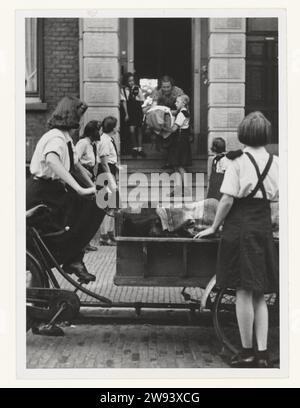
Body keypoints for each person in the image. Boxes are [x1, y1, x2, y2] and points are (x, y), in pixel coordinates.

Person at [194, 112, 279, 368]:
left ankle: (246, 352)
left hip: (239, 227)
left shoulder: (237, 162)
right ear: (266, 134)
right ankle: (262, 353)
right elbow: (276, 202)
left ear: (243, 134)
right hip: (262, 226)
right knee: (259, 293)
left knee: (243, 291)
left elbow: (228, 200)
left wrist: (214, 226)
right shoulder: (277, 162)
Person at [27, 96, 105, 283]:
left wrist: (92, 186)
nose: (81, 120)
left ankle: (74, 260)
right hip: (42, 193)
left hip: (52, 191)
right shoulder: (55, 137)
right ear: (71, 114)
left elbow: (76, 165)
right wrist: (79, 189)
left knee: (90, 207)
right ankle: (73, 261)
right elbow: (52, 161)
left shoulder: (66, 138)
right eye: (80, 115)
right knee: (81, 213)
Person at [76, 120, 101, 252]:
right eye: (99, 130)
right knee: (82, 211)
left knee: (88, 211)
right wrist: (85, 171)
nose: (100, 133)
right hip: (82, 177)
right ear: (93, 132)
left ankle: (85, 242)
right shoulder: (83, 143)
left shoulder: (92, 144)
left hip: (90, 175)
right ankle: (80, 244)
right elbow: (75, 161)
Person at [96, 116, 119, 246]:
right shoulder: (104, 140)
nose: (118, 127)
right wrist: (111, 180)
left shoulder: (108, 139)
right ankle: (104, 236)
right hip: (106, 173)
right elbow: (104, 163)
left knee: (113, 205)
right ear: (112, 127)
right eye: (116, 125)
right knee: (107, 206)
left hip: (111, 170)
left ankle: (110, 233)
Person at [167, 94, 192, 196]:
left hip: (180, 141)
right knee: (177, 166)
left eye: (177, 102)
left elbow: (174, 128)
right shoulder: (184, 112)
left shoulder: (182, 113)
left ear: (183, 103)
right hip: (181, 140)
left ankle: (185, 189)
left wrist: (164, 128)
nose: (175, 103)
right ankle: (179, 189)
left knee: (180, 166)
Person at [120, 72, 146, 158]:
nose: (131, 82)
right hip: (129, 110)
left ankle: (140, 149)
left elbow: (142, 100)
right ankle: (134, 148)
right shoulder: (123, 90)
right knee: (132, 130)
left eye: (132, 80)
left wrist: (136, 97)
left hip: (137, 109)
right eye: (129, 81)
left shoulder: (136, 88)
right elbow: (124, 102)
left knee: (139, 129)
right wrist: (126, 114)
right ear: (126, 81)